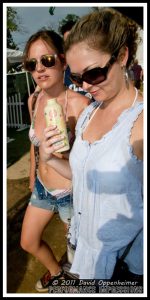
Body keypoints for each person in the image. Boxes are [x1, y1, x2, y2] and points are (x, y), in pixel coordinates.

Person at [39, 8, 143, 282]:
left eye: (94, 73)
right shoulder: (89, 113)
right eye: (75, 78)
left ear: (122, 56)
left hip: (123, 270)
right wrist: (49, 159)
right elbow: (84, 177)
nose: (86, 84)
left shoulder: (140, 125)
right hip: (82, 251)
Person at [20, 29, 89, 292]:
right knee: (28, 241)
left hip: (69, 194)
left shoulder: (80, 106)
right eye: (32, 64)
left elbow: (87, 164)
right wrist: (31, 174)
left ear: (62, 60)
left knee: (79, 254)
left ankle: (75, 281)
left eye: (47, 60)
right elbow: (34, 143)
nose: (39, 69)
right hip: (41, 187)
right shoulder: (34, 100)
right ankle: (56, 273)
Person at [59, 19, 93, 100]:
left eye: (73, 40)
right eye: (67, 42)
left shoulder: (98, 66)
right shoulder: (64, 70)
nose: (70, 45)